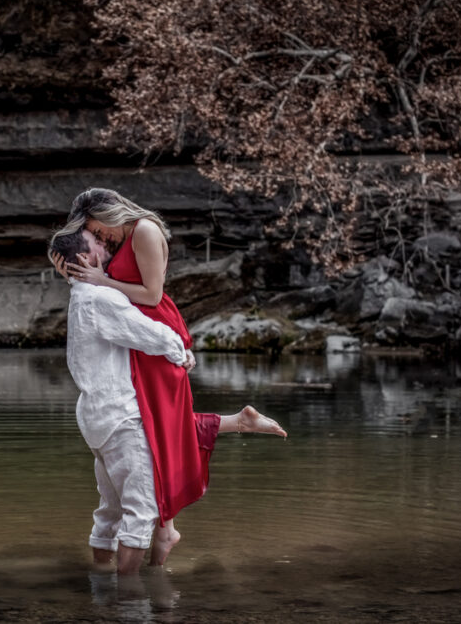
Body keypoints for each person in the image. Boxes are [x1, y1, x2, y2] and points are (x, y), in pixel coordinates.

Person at [52, 189, 286, 566]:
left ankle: (160, 538)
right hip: (134, 335)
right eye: (92, 236)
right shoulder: (113, 248)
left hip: (154, 328)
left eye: (95, 230)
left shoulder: (143, 230)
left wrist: (100, 280)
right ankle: (165, 531)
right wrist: (87, 276)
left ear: (107, 213)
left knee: (158, 427)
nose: (99, 238)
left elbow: (151, 293)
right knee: (157, 427)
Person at [50, 227, 192, 575]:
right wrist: (181, 352)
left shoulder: (81, 296)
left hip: (95, 417)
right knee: (141, 510)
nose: (105, 243)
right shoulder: (101, 299)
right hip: (120, 417)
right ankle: (129, 596)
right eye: (97, 241)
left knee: (110, 508)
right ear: (87, 258)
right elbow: (150, 334)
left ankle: (100, 578)